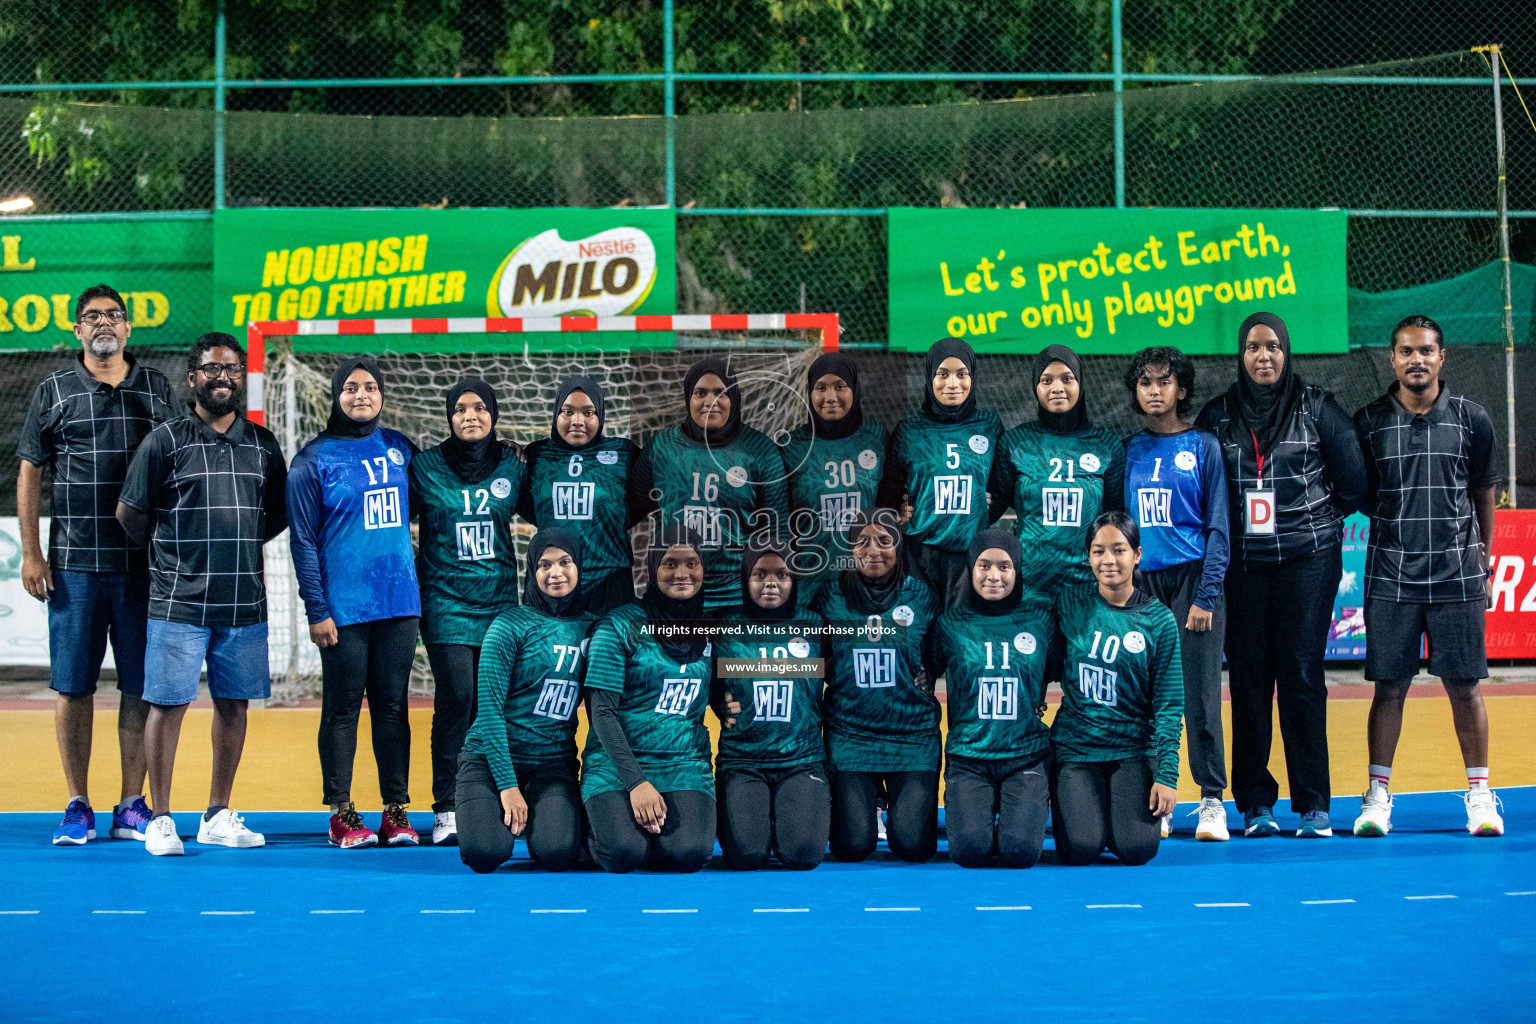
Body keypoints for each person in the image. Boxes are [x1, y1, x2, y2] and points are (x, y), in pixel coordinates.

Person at [115, 333, 287, 856]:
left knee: (233, 706)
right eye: (212, 369)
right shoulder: (164, 441)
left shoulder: (263, 444)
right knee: (166, 706)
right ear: (192, 377)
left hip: (243, 603)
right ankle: (161, 819)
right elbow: (130, 514)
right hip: (178, 603)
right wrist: (178, 558)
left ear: (242, 377)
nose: (223, 378)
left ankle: (216, 814)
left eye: (233, 369)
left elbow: (275, 516)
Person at [1196, 312, 1366, 838]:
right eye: (1253, 347)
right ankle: (1254, 805)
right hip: (1243, 565)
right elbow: (1201, 488)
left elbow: (1356, 484)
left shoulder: (1318, 406)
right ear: (1240, 355)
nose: (1263, 356)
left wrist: (1310, 524)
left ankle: (1314, 803)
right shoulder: (1218, 414)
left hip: (1307, 563)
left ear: (1286, 352)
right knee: (1248, 682)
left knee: (1300, 675)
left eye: (1272, 346)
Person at [17, 284, 175, 846]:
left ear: (128, 327)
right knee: (73, 688)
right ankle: (77, 803)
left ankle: (131, 802)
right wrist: (33, 553)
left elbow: (178, 467)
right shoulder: (55, 392)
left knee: (139, 687)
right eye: (91, 317)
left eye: (113, 315)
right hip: (75, 569)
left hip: (142, 569)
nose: (103, 323)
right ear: (77, 330)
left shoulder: (157, 390)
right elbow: (31, 472)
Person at [1352, 315, 1503, 838]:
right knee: (1388, 689)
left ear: (1443, 357)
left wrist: (1483, 557)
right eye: (1406, 352)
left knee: (1465, 688)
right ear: (1391, 359)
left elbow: (1482, 490)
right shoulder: (1367, 422)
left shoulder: (1473, 419)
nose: (1416, 360)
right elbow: (1362, 494)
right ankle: (1377, 796)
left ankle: (1481, 795)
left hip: (1458, 576)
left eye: (1426, 351)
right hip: (1391, 577)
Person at [287, 357, 422, 849]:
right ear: (335, 396)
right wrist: (316, 609)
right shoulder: (312, 460)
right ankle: (341, 813)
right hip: (343, 609)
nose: (361, 395)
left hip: (400, 604)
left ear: (381, 395)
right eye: (350, 388)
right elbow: (301, 541)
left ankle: (396, 810)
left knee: (392, 707)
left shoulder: (401, 449)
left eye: (369, 387)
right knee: (342, 708)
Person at [1122, 347, 1231, 841]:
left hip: (1192, 583)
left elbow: (1218, 527)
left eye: (1164, 382)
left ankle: (1211, 800)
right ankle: (1157, 798)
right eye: (1145, 383)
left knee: (1200, 698)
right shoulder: (1127, 451)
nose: (1154, 391)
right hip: (1142, 586)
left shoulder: (1204, 446)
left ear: (1181, 389)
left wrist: (1206, 595)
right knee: (1146, 698)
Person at [410, 378, 525, 846]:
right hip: (445, 602)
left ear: (493, 415)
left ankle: (503, 795)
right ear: (448, 417)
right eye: (460, 409)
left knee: (495, 704)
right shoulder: (425, 467)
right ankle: (447, 806)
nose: (470, 416)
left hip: (500, 603)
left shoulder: (515, 467)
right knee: (457, 698)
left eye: (480, 408)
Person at [455, 529, 593, 872]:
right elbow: (488, 712)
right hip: (490, 762)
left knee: (558, 853)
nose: (555, 572)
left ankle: (547, 820)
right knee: (485, 854)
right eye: (544, 565)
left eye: (565, 562)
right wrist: (507, 786)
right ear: (532, 571)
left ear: (580, 567)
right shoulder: (509, 626)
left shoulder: (593, 629)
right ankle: (492, 815)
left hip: (552, 766)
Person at [581, 526, 717, 872]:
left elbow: (722, 684)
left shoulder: (711, 628)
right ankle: (589, 825)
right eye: (669, 564)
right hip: (617, 764)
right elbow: (602, 713)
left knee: (689, 854)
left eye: (692, 563)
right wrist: (636, 783)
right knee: (624, 853)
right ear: (652, 570)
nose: (682, 574)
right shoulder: (619, 626)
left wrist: (730, 703)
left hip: (684, 763)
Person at [1050, 511, 1183, 867]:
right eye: (1098, 551)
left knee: (1137, 850)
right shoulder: (1069, 603)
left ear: (1137, 555)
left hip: (1133, 751)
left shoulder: (1160, 621)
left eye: (1119, 550)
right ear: (1088, 556)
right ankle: (1086, 813)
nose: (1108, 560)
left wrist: (1167, 775)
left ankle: (1111, 818)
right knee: (1080, 849)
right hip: (1077, 750)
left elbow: (1169, 705)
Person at [812, 509, 941, 862]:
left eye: (884, 541)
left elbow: (940, 650)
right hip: (851, 737)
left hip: (912, 737)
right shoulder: (829, 597)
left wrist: (929, 668)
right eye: (862, 541)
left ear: (899, 547)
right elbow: (813, 659)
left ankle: (896, 811)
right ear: (851, 548)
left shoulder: (921, 596)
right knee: (852, 847)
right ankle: (865, 807)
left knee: (914, 848)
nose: (873, 550)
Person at [929, 530, 1054, 868]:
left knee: (1021, 854)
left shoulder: (1041, 620)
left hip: (1025, 755)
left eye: (1004, 566)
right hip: (969, 757)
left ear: (1018, 571)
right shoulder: (950, 624)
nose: (994, 576)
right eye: (984, 565)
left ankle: (1020, 817)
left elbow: (1062, 666)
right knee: (969, 852)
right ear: (970, 568)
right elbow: (923, 671)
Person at [710, 543, 830, 870]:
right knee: (746, 856)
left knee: (802, 855)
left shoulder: (816, 626)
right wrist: (719, 703)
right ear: (744, 579)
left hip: (801, 760)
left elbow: (842, 678)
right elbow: (706, 682)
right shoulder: (723, 628)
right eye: (759, 574)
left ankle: (789, 817)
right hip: (742, 761)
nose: (771, 583)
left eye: (782, 574)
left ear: (794, 580)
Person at [632, 359, 788, 611]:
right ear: (688, 398)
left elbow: (777, 531)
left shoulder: (761, 452)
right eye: (700, 393)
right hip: (676, 591)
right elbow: (627, 509)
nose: (710, 401)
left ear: (734, 398)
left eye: (721, 393)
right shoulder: (661, 448)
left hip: (737, 595)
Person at [991, 344, 1126, 596]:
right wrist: (921, 508)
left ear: (1080, 384)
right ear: (1035, 387)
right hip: (1028, 584)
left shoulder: (1107, 445)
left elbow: (1116, 516)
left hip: (1087, 584)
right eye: (1046, 380)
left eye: (1067, 379)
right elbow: (990, 504)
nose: (1057, 388)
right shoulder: (1015, 442)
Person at [878, 338, 1002, 607]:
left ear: (973, 377)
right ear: (929, 378)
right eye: (942, 374)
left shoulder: (989, 425)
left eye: (962, 374)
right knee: (919, 631)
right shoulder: (908, 431)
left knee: (959, 635)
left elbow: (1002, 484)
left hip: (970, 555)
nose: (952, 384)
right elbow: (886, 494)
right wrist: (897, 510)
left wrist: (984, 506)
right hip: (918, 555)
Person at [518, 376, 643, 616]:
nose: (577, 421)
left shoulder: (624, 453)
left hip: (609, 581)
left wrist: (611, 523)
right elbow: (527, 506)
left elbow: (645, 501)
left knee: (606, 653)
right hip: (554, 582)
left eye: (588, 412)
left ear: (601, 415)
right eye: (567, 412)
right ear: (556, 414)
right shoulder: (536, 455)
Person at [778, 353, 887, 602]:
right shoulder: (792, 447)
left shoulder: (877, 437)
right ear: (809, 392)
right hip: (809, 582)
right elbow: (779, 521)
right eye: (820, 387)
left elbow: (892, 496)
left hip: (865, 580)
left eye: (840, 386)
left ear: (855, 390)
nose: (830, 397)